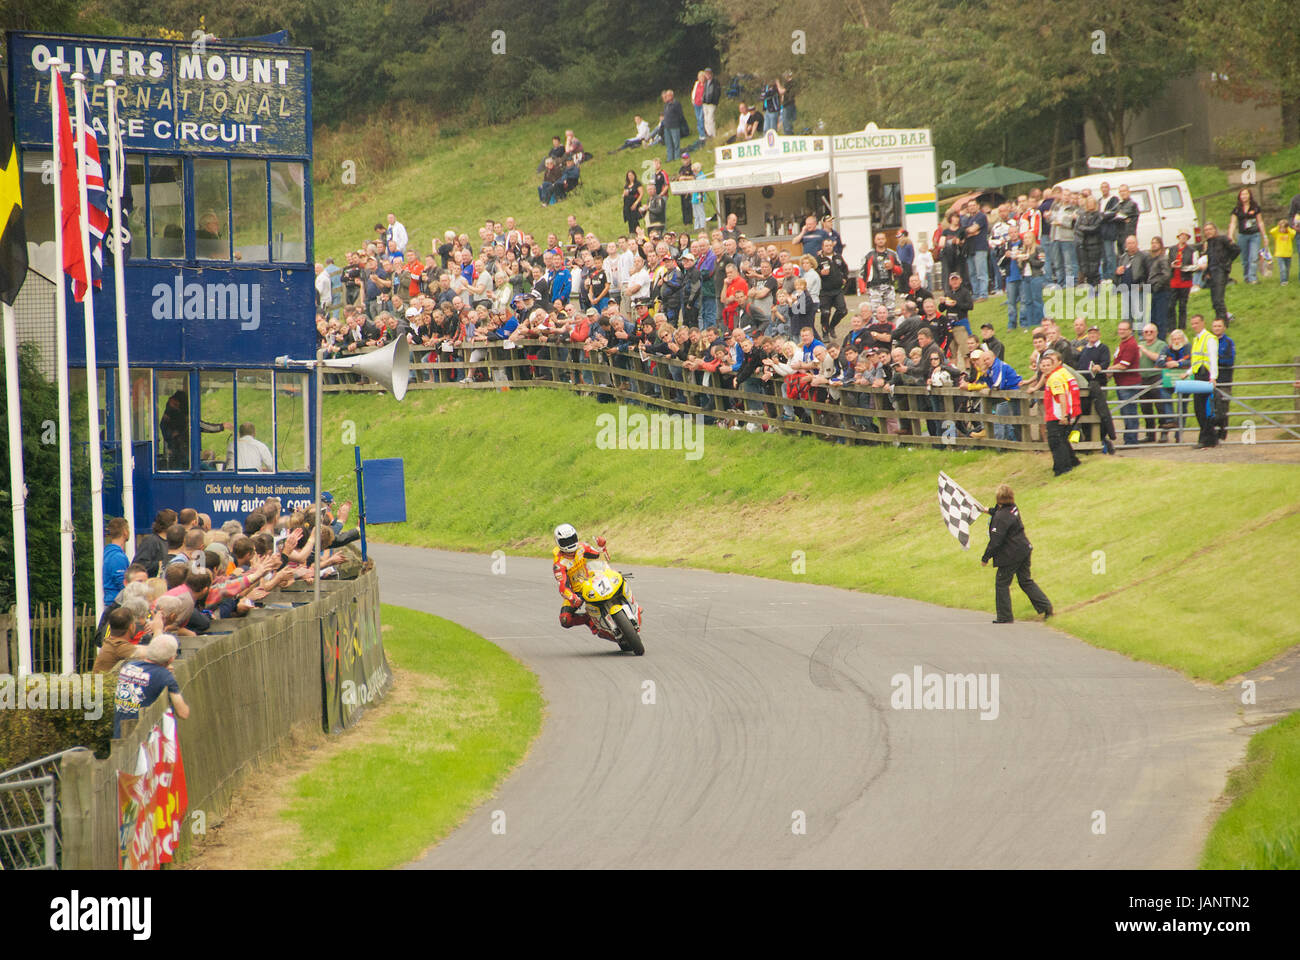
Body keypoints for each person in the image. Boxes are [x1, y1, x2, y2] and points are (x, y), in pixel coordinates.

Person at [981, 484, 1053, 624]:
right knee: (1025, 580)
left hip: (1011, 554)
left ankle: (1005, 616)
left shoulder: (1000, 517)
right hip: (1024, 549)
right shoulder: (1013, 508)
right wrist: (988, 510)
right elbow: (1000, 511)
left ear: (998, 499)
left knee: (1001, 583)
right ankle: (1046, 606)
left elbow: (996, 541)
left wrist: (985, 557)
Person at [552, 524, 633, 641]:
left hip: (590, 581)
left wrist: (602, 547)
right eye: (565, 541)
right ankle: (589, 620)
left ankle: (631, 603)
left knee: (618, 580)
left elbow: (601, 557)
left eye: (572, 539)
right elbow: (563, 588)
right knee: (565, 619)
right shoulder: (559, 564)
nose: (570, 543)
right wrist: (573, 598)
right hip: (576, 591)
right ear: (558, 543)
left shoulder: (582, 547)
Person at [112, 633, 192, 738]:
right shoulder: (164, 676)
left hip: (119, 733)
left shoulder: (128, 667)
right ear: (171, 659)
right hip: (142, 739)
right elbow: (183, 713)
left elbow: (149, 673)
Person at [1040, 350, 1081, 475]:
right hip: (1056, 414)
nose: (1046, 367)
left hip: (1056, 415)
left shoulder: (1055, 378)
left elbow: (1062, 397)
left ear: (1054, 365)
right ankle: (1071, 462)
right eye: (1043, 365)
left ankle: (1062, 468)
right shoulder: (1052, 377)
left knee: (1056, 442)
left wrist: (1064, 415)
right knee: (1062, 440)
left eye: (1048, 365)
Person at [1188, 313, 1219, 448]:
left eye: (1196, 323)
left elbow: (1213, 359)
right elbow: (1196, 360)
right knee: (1199, 408)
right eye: (1192, 323)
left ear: (1203, 323)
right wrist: (1188, 372)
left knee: (1203, 408)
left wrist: (1213, 377)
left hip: (1205, 375)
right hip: (1197, 374)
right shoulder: (1197, 339)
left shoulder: (1209, 338)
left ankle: (1205, 438)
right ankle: (1210, 437)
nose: (1194, 326)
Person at [1228, 188, 1266, 284]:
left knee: (1253, 257)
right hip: (1242, 236)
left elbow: (1260, 222)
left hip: (1255, 235)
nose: (1244, 196)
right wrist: (1230, 235)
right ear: (1239, 197)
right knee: (1245, 259)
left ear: (1250, 195)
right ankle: (1246, 277)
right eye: (1242, 194)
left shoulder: (1255, 207)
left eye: (1246, 194)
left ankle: (1253, 278)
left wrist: (1264, 236)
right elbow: (1233, 223)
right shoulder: (1237, 209)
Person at [1268, 217, 1295, 285]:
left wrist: (1287, 227)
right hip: (1280, 254)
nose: (1282, 229)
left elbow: (1293, 233)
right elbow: (1271, 231)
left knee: (1287, 268)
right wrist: (1278, 226)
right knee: (1282, 268)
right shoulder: (1277, 234)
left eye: (1284, 228)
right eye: (1281, 228)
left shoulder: (1289, 234)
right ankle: (1283, 281)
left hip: (1288, 254)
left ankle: (1286, 278)